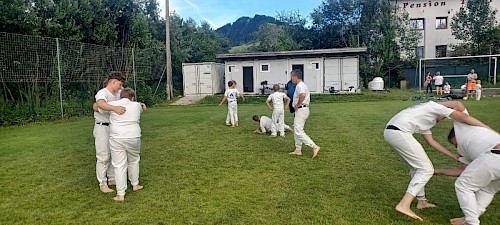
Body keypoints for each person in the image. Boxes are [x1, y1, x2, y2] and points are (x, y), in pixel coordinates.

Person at [383, 101, 490, 221]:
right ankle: (404, 205)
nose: (444, 118)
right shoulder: (434, 106)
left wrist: (453, 156)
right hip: (400, 131)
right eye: (445, 115)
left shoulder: (424, 117)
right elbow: (461, 110)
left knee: (417, 168)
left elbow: (432, 142)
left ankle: (421, 201)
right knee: (426, 169)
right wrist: (486, 128)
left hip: (391, 132)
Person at [434, 109, 499, 225]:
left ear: (455, 136)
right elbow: (463, 170)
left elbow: (457, 105)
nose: (456, 148)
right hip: (494, 155)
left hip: (496, 155)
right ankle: (468, 220)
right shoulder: (480, 135)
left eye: (454, 144)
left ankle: (471, 222)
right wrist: (437, 171)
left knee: (463, 185)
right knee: (487, 189)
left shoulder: (461, 127)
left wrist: (438, 112)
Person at [106, 88, 145, 201]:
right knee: (134, 160)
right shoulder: (137, 105)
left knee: (119, 165)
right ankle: (135, 184)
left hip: (117, 137)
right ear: (132, 97)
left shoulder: (112, 104)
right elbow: (141, 107)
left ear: (120, 97)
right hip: (134, 136)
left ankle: (120, 194)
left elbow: (101, 108)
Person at [93, 71, 127, 193]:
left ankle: (112, 178)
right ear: (113, 82)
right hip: (102, 127)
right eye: (120, 83)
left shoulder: (118, 93)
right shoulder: (102, 93)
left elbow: (127, 100)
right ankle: (102, 182)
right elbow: (100, 104)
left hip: (114, 128)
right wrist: (114, 108)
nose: (121, 87)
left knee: (114, 154)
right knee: (103, 156)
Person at [288, 69, 321, 158]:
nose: (291, 79)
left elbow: (302, 95)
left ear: (295, 77)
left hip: (301, 109)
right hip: (301, 110)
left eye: (291, 77)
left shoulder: (300, 86)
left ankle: (314, 146)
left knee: (298, 130)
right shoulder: (301, 85)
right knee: (296, 129)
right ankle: (298, 149)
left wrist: (297, 105)